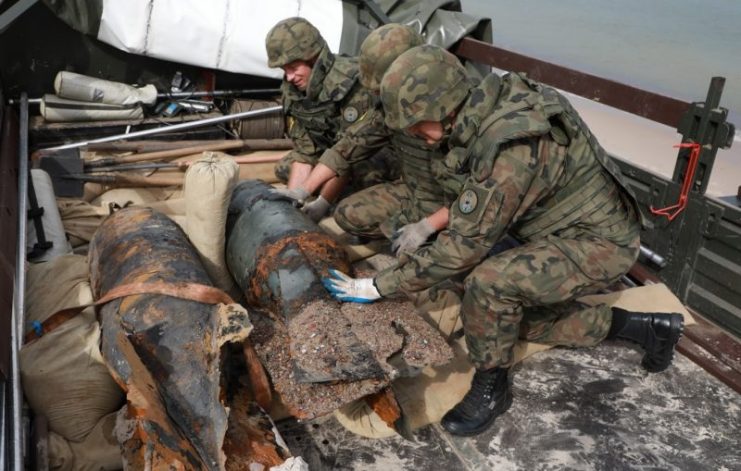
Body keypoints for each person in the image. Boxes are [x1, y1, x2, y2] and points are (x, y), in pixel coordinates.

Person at [322, 45, 684, 437]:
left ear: (441, 108)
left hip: (599, 243)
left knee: (488, 286)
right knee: (495, 320)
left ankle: (492, 386)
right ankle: (646, 328)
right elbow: (473, 201)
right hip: (562, 229)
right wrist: (428, 227)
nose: (414, 135)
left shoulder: (509, 144)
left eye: (415, 124)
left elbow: (465, 246)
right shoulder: (491, 101)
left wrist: (378, 285)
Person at [265, 17, 392, 221]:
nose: (289, 77)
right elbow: (305, 150)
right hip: (332, 153)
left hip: (365, 153)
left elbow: (348, 151)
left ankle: (343, 196)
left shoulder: (350, 84)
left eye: (293, 68)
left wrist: (322, 203)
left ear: (314, 59)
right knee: (284, 168)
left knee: (366, 176)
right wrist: (294, 201)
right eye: (284, 70)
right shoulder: (294, 91)